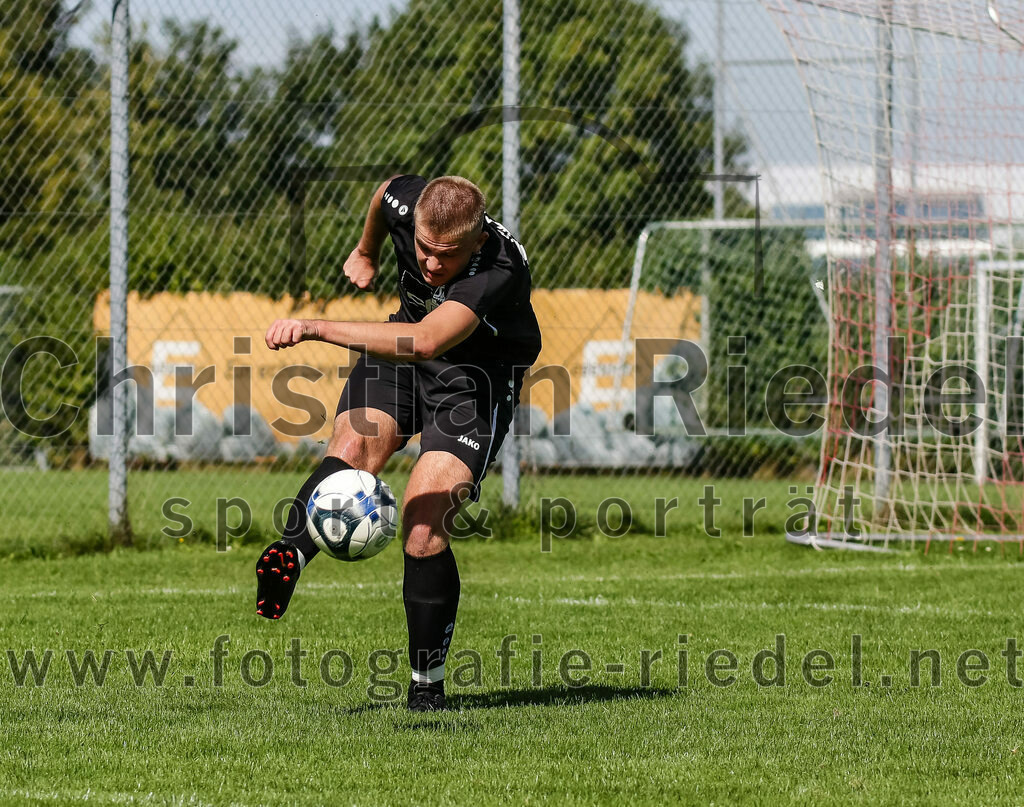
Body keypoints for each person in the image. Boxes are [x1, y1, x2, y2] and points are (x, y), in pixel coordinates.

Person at [255, 174, 542, 711]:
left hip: (473, 379)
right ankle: (290, 555)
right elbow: (384, 190)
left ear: (476, 242)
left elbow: (427, 339)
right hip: (402, 356)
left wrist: (315, 327)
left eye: (447, 257)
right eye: (424, 250)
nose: (431, 265)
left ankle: (426, 687)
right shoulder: (406, 203)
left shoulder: (500, 266)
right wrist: (365, 252)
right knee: (353, 449)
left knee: (423, 521)